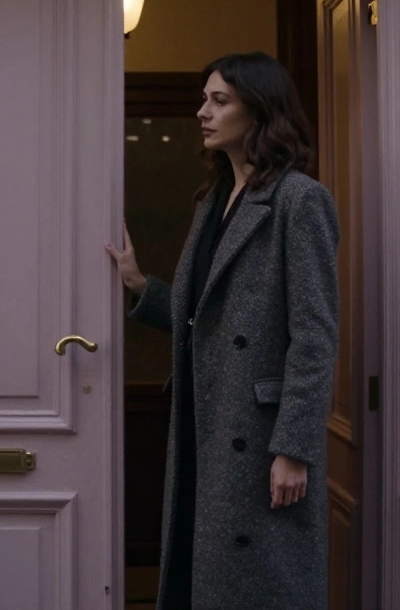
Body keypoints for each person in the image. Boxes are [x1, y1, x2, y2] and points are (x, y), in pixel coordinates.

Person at [105, 51, 341, 609]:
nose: (202, 113)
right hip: (205, 422)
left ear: (259, 111)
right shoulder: (213, 199)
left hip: (260, 440)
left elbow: (314, 333)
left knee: (258, 588)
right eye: (203, 100)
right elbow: (210, 319)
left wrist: (294, 447)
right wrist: (142, 286)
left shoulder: (299, 200)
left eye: (219, 101)